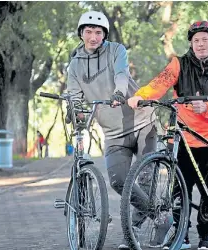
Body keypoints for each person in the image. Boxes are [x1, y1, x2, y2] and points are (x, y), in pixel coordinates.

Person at [127, 21, 208, 250]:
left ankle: (205, 236)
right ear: (191, 43)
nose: (199, 44)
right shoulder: (179, 64)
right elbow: (160, 82)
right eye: (195, 40)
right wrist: (140, 97)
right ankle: (182, 236)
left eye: (204, 40)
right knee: (179, 189)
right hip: (182, 138)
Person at [66, 10, 164, 249]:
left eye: (98, 32)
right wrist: (74, 110)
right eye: (88, 32)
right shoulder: (75, 65)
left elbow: (122, 73)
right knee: (119, 181)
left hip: (143, 123)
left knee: (145, 178)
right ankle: (161, 216)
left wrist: (119, 92)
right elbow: (74, 95)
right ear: (81, 34)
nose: (93, 37)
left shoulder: (116, 50)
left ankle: (135, 232)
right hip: (112, 132)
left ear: (104, 35)